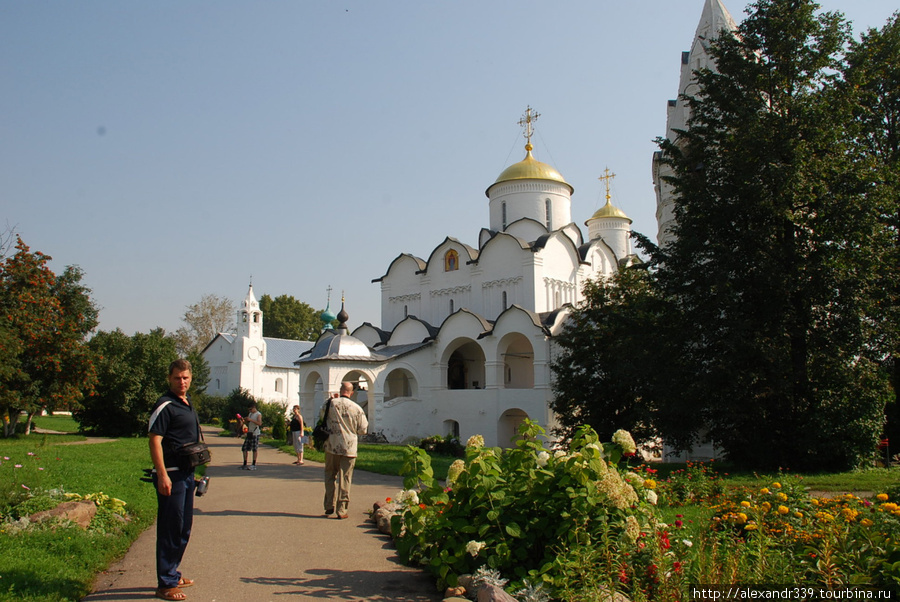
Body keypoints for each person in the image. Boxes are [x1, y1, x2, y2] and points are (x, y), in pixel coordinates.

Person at [148, 359, 200, 601]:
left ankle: (173, 573)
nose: (182, 382)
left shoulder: (187, 403)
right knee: (171, 527)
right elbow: (155, 440)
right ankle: (165, 584)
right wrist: (162, 475)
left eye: (186, 377)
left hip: (187, 474)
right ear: (169, 379)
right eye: (178, 377)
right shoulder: (165, 405)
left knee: (183, 527)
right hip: (172, 474)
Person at [321, 381, 368, 519]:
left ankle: (329, 505)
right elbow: (363, 430)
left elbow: (321, 416)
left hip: (331, 445)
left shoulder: (329, 404)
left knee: (330, 475)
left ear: (340, 390)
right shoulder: (357, 408)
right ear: (351, 393)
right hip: (349, 447)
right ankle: (342, 510)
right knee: (345, 478)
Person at [241, 403, 262, 470]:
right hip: (249, 433)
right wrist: (245, 420)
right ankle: (245, 463)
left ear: (253, 407)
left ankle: (253, 464)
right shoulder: (250, 414)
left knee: (254, 449)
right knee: (244, 448)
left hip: (255, 433)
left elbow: (259, 423)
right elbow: (249, 422)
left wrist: (251, 420)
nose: (250, 411)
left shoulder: (258, 414)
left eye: (250, 409)